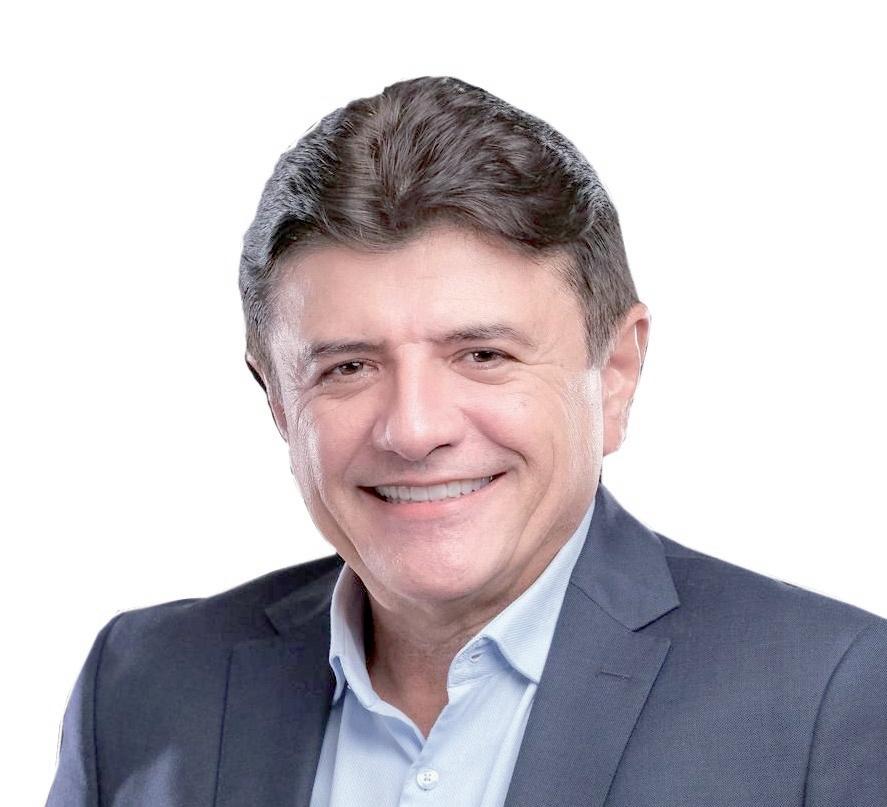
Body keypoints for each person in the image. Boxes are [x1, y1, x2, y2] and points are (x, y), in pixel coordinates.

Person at [46, 76, 887, 807]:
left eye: (482, 355)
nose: (414, 429)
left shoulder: (829, 697)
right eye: (347, 367)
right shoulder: (141, 687)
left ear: (615, 372)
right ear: (276, 398)